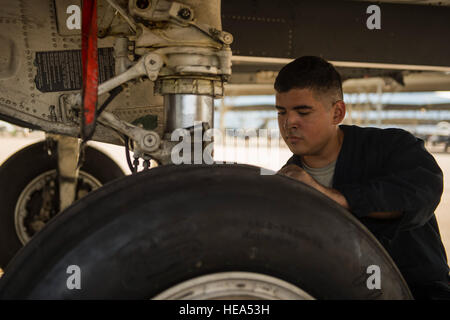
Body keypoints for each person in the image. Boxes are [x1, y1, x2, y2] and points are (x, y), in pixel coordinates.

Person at [275, 56, 450, 300]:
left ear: (337, 112)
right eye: (281, 112)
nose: (289, 122)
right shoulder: (287, 181)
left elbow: (421, 193)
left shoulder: (392, 147)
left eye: (303, 112)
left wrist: (334, 198)